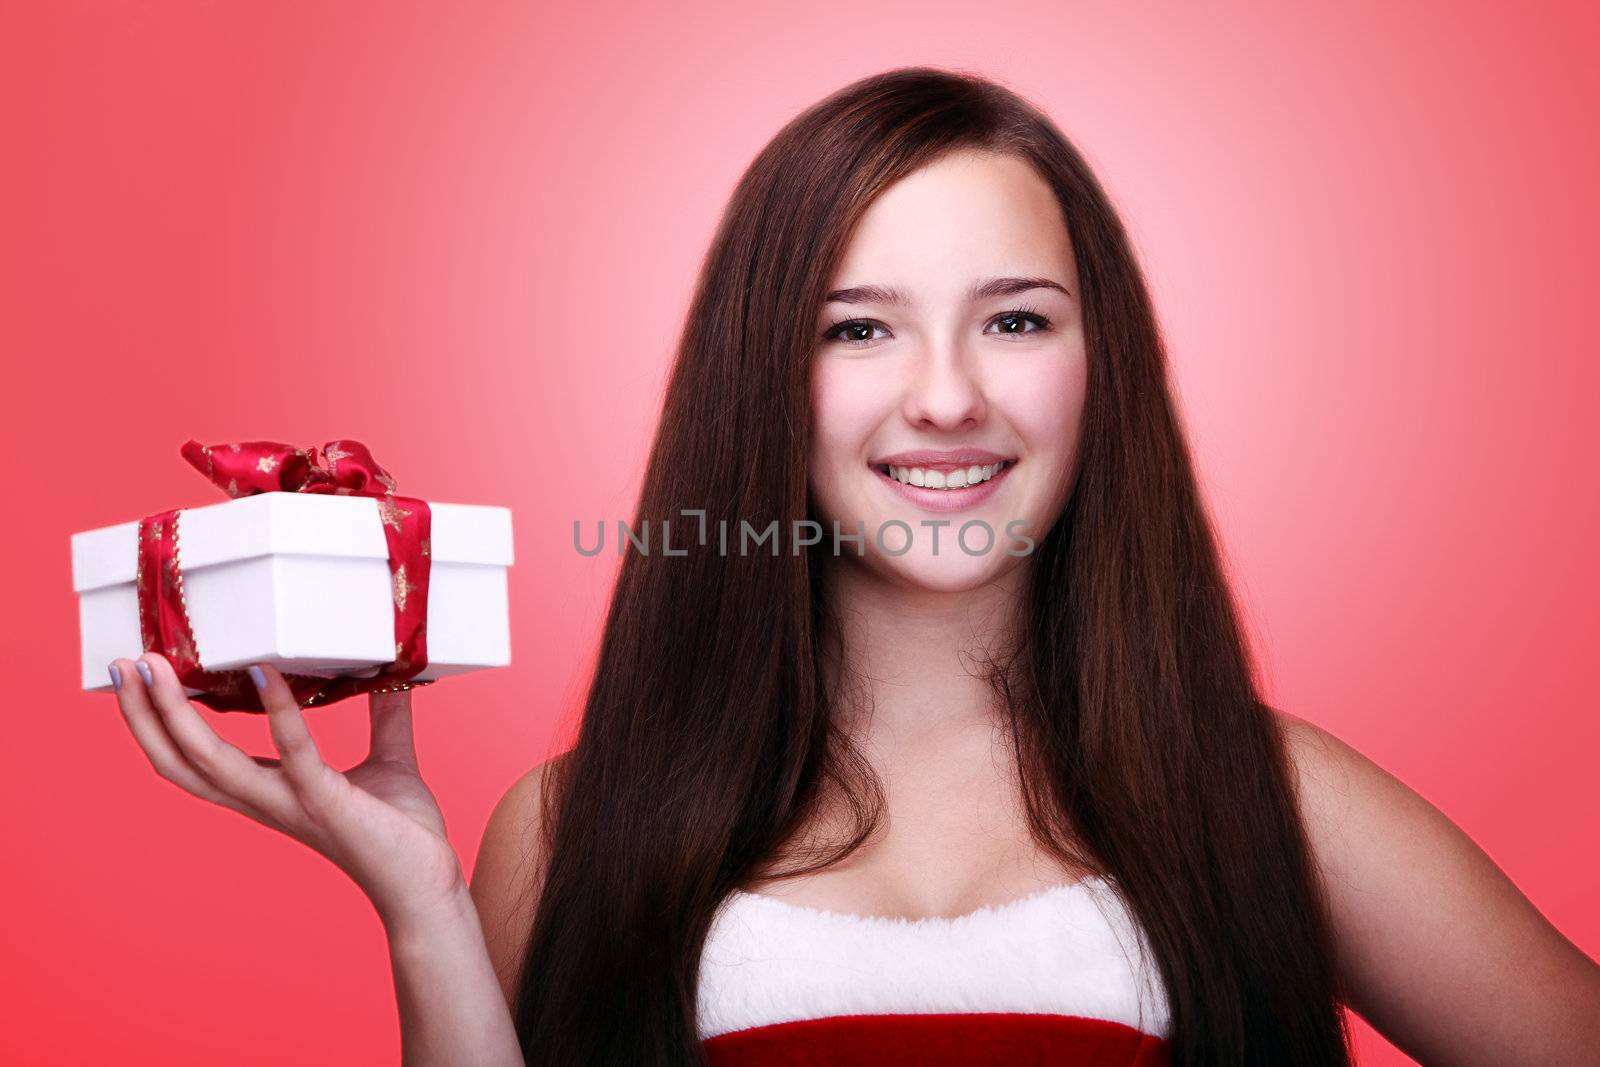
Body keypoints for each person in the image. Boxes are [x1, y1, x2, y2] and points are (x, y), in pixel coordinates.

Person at [109, 67, 1600, 1067]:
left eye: (1015, 321)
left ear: (1105, 367)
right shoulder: (569, 828)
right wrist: (423, 911)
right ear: (759, 376)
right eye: (857, 326)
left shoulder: (1269, 796)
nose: (946, 395)